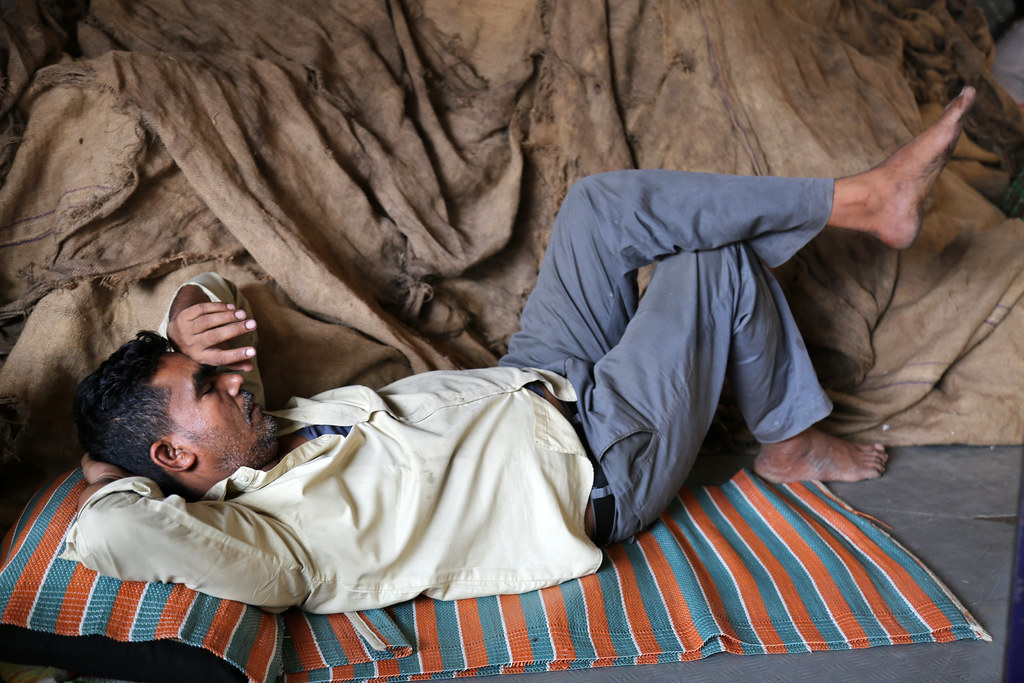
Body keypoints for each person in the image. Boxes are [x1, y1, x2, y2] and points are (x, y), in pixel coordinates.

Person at [63, 87, 977, 614]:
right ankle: (793, 435)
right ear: (175, 458)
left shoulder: (253, 427)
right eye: (207, 386)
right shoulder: (266, 544)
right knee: (713, 272)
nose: (233, 377)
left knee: (598, 206)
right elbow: (109, 527)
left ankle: (857, 200)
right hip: (596, 460)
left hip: (531, 375)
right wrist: (105, 469)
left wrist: (185, 315)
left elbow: (216, 292)